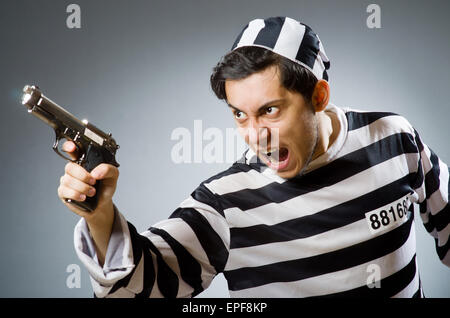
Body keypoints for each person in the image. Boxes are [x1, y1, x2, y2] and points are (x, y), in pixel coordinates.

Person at [58, 16, 449, 298]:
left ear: (318, 97)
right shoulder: (225, 202)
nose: (255, 135)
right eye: (239, 114)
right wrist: (100, 215)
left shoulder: (394, 139)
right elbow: (140, 291)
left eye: (270, 110)